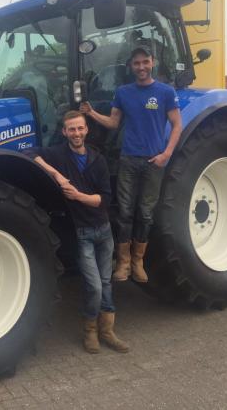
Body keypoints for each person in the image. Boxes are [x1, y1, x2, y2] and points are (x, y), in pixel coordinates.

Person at [29, 110, 129, 354]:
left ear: (87, 130)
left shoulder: (98, 160)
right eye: (71, 129)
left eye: (80, 128)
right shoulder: (59, 155)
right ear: (64, 132)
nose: (76, 133)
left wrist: (78, 196)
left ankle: (107, 332)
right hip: (83, 233)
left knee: (105, 283)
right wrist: (57, 175)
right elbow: (29, 153)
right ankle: (90, 332)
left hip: (103, 231)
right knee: (94, 285)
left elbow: (104, 199)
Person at [80, 47, 182, 283]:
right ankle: (123, 264)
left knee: (145, 213)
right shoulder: (124, 92)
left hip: (154, 162)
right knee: (125, 212)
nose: (141, 67)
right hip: (128, 160)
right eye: (137, 63)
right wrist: (92, 113)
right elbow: (114, 122)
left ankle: (138, 262)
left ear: (153, 62)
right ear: (131, 66)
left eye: (145, 62)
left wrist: (166, 154)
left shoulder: (165, 92)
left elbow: (177, 125)